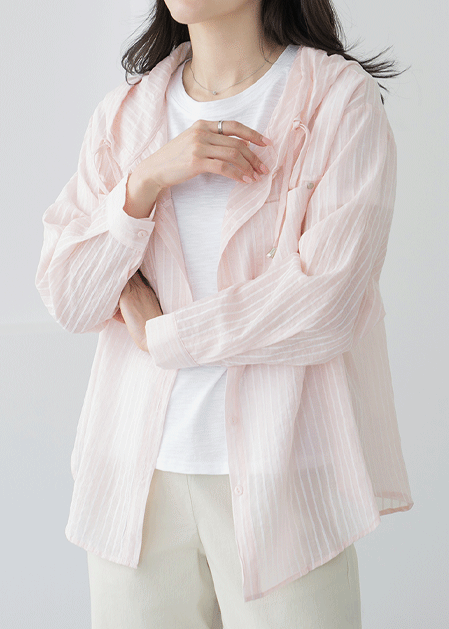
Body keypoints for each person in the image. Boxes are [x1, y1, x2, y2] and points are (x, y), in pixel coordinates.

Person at [35, 0, 414, 627]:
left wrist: (165, 334)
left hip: (283, 478)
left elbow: (326, 302)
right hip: (136, 485)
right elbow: (70, 295)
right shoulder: (125, 117)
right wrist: (144, 182)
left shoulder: (336, 101)